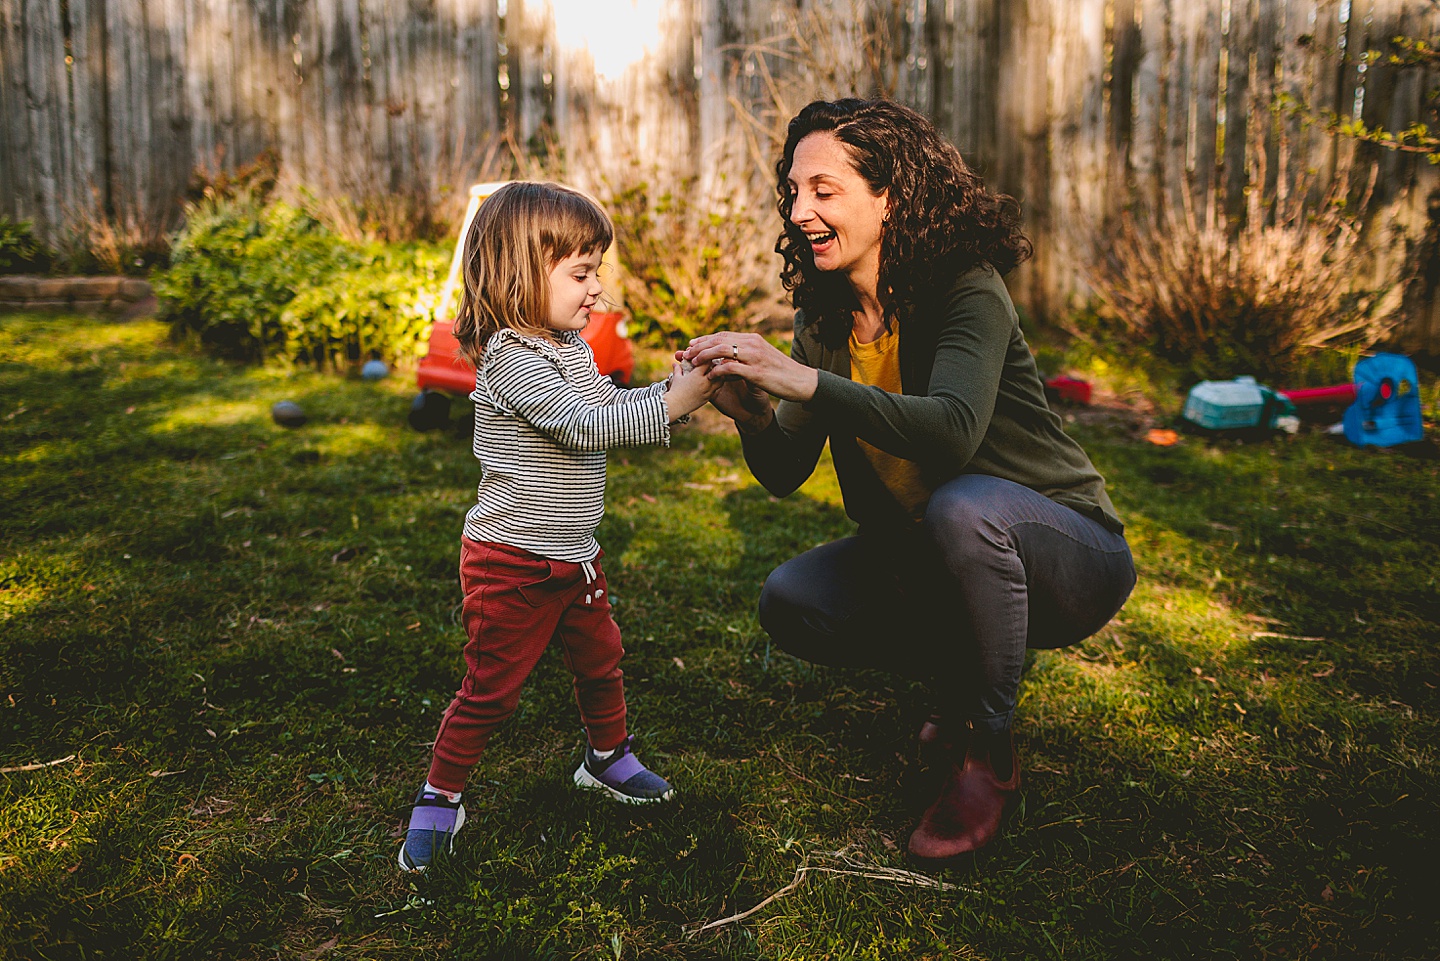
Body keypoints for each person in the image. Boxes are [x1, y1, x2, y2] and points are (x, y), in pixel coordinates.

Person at [684, 99, 1136, 862]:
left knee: (964, 510)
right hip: (938, 546)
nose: (801, 212)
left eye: (824, 191)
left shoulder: (965, 287)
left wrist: (803, 382)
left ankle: (989, 750)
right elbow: (787, 472)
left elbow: (952, 426)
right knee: (794, 599)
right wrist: (754, 412)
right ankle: (960, 684)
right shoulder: (823, 315)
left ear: (890, 193)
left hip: (1067, 550)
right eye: (794, 192)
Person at [399, 181, 715, 872]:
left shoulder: (568, 345)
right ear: (518, 271)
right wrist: (677, 404)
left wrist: (668, 390)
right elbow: (582, 425)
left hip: (574, 553)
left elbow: (605, 402)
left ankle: (607, 757)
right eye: (581, 273)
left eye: (595, 270)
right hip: (512, 560)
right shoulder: (512, 356)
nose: (597, 290)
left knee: (602, 659)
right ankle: (439, 793)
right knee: (490, 689)